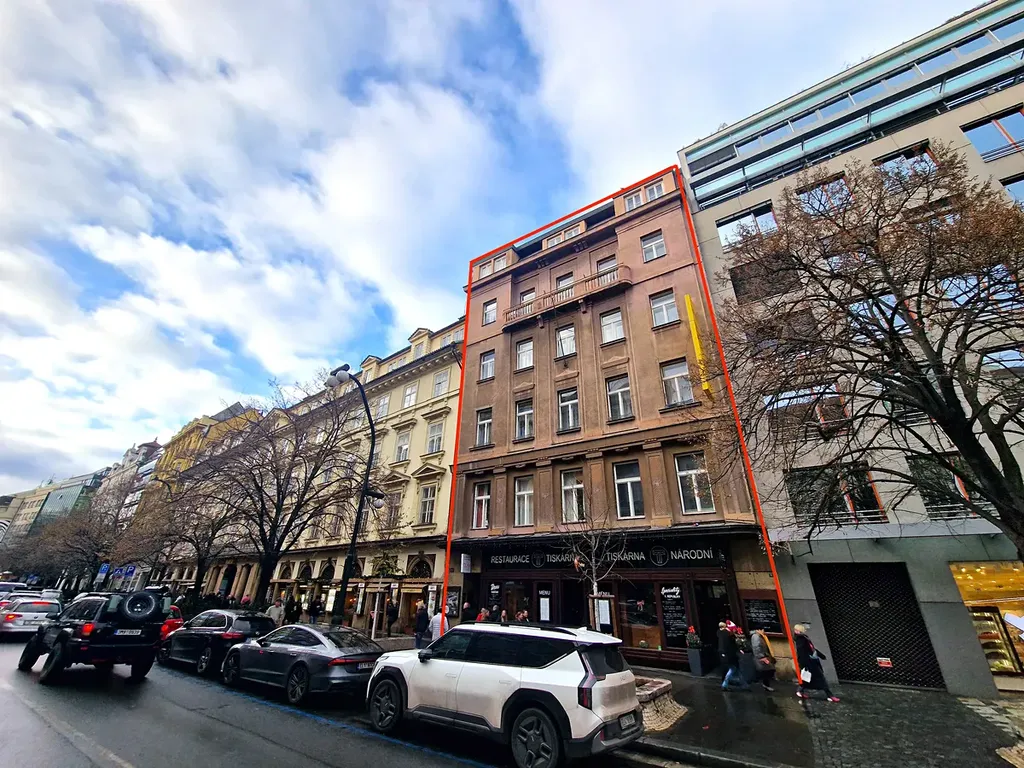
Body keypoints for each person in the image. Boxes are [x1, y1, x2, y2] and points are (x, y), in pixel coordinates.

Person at [794, 624, 839, 702]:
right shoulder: (801, 640)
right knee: (820, 678)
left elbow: (812, 649)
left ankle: (800, 690)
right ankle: (830, 695)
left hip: (811, 662)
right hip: (809, 663)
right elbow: (802, 653)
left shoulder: (804, 638)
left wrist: (821, 655)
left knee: (808, 679)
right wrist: (804, 664)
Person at [719, 620, 748, 690]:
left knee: (735, 669)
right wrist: (738, 649)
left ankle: (743, 684)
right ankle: (725, 684)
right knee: (733, 669)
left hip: (726, 655)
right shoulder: (729, 635)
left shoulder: (722, 634)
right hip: (730, 655)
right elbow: (732, 646)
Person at [750, 627, 776, 692]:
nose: (763, 631)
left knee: (767, 670)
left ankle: (765, 684)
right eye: (762, 630)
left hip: (764, 656)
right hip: (761, 657)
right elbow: (756, 648)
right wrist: (761, 657)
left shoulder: (760, 636)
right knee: (767, 671)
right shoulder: (756, 637)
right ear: (758, 630)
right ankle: (765, 685)